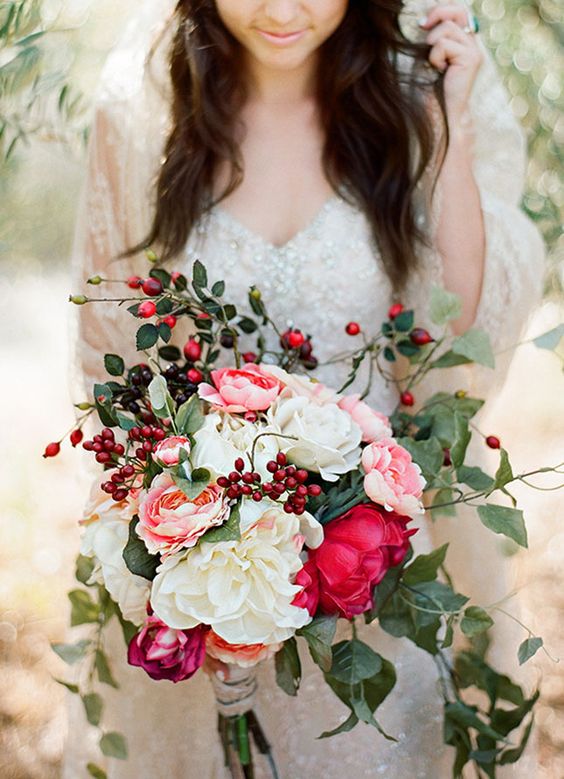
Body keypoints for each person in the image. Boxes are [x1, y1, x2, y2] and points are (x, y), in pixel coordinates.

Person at [64, 1, 545, 776]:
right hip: (202, 568)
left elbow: (456, 322)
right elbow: (114, 357)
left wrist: (450, 123)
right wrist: (184, 562)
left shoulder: (403, 105)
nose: (283, 11)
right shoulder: (141, 111)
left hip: (371, 557)